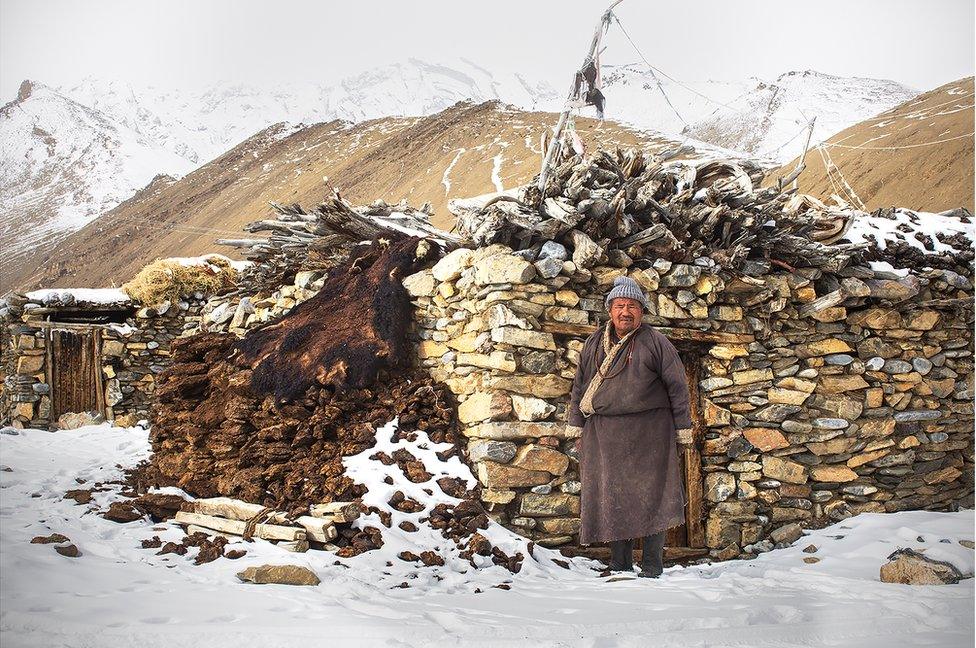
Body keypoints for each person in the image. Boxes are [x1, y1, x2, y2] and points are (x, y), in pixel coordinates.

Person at [567, 275, 693, 578]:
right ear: (610, 309)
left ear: (642, 311)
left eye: (633, 306)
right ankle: (620, 565)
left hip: (650, 433)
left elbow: (678, 387)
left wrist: (683, 429)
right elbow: (580, 386)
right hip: (604, 435)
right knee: (613, 496)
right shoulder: (594, 342)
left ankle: (652, 567)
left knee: (654, 496)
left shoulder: (655, 342)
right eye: (620, 305)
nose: (626, 312)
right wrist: (576, 426)